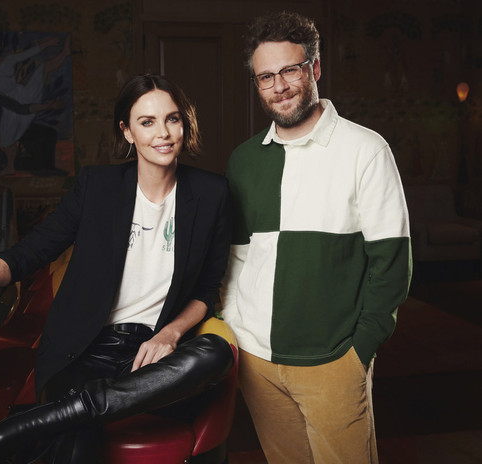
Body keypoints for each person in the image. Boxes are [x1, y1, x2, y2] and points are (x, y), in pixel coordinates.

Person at [0, 74, 233, 463]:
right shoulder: (98, 187)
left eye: (172, 119)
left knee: (215, 353)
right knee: (77, 441)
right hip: (85, 352)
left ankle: (25, 424)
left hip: (152, 359)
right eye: (147, 122)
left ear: (184, 122)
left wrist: (171, 334)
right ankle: (72, 410)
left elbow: (209, 288)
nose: (164, 133)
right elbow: (31, 252)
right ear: (126, 132)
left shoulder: (211, 193)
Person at [221, 11, 412, 464]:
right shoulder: (244, 161)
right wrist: (235, 331)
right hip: (256, 360)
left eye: (290, 70)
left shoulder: (365, 150)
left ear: (315, 68)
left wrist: (358, 352)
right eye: (266, 76)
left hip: (333, 361)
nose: (279, 86)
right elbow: (234, 257)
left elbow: (392, 263)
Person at [0, 31, 71, 175]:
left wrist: (47, 44)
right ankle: (10, 166)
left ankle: (65, 53)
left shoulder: (8, 60)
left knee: (43, 68)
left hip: (23, 95)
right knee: (9, 135)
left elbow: (27, 54)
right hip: (9, 105)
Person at [0, 78, 64, 177]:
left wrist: (45, 106)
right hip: (9, 138)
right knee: (36, 158)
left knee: (50, 133)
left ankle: (49, 169)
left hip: (19, 129)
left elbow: (22, 109)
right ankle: (42, 169)